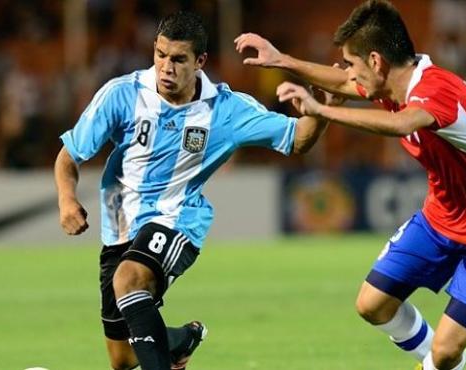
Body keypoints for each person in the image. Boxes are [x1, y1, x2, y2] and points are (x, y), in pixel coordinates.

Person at [234, 1, 466, 370]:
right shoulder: (395, 84)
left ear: (376, 61)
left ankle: (439, 362)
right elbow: (345, 83)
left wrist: (321, 111)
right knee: (372, 304)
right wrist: (283, 60)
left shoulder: (436, 91)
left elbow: (403, 125)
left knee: (443, 354)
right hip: (442, 219)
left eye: (352, 63)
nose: (349, 74)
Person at [54, 11, 327, 370]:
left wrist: (321, 111)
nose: (167, 67)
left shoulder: (226, 111)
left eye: (179, 59)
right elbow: (68, 157)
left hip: (177, 220)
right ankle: (182, 339)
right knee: (122, 358)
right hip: (118, 227)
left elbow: (297, 140)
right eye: (161, 55)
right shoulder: (121, 95)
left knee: (128, 278)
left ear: (200, 62)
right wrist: (66, 199)